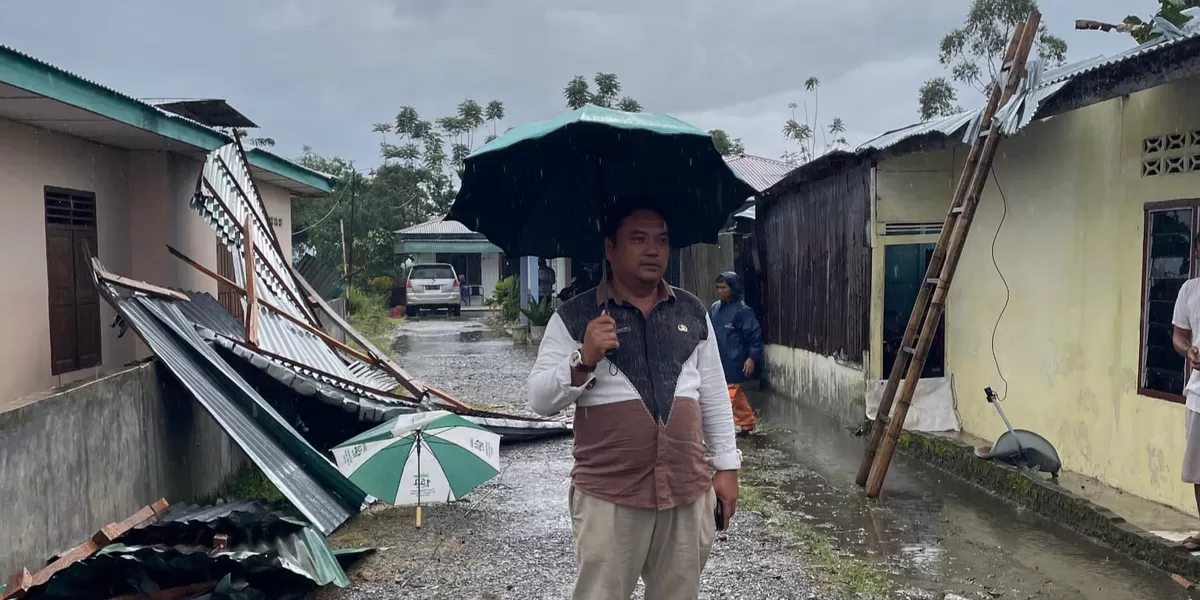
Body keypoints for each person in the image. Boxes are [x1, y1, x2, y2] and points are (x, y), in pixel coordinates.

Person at [527, 202, 741, 600]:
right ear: (609, 248)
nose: (653, 250)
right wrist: (584, 358)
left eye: (661, 240)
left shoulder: (692, 311)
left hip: (686, 491)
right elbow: (539, 399)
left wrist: (727, 467)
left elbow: (713, 391)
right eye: (638, 239)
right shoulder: (575, 317)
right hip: (609, 496)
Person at [711, 271, 763, 436]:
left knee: (727, 397)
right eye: (718, 287)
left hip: (736, 360)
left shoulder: (743, 311)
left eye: (724, 287)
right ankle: (747, 423)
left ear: (733, 288)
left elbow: (754, 336)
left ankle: (719, 431)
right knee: (735, 395)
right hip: (719, 359)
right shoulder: (715, 308)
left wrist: (751, 358)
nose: (720, 291)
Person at [1173, 255, 1200, 551]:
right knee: (1199, 467)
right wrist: (1189, 351)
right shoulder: (1189, 291)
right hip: (1198, 392)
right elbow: (1179, 336)